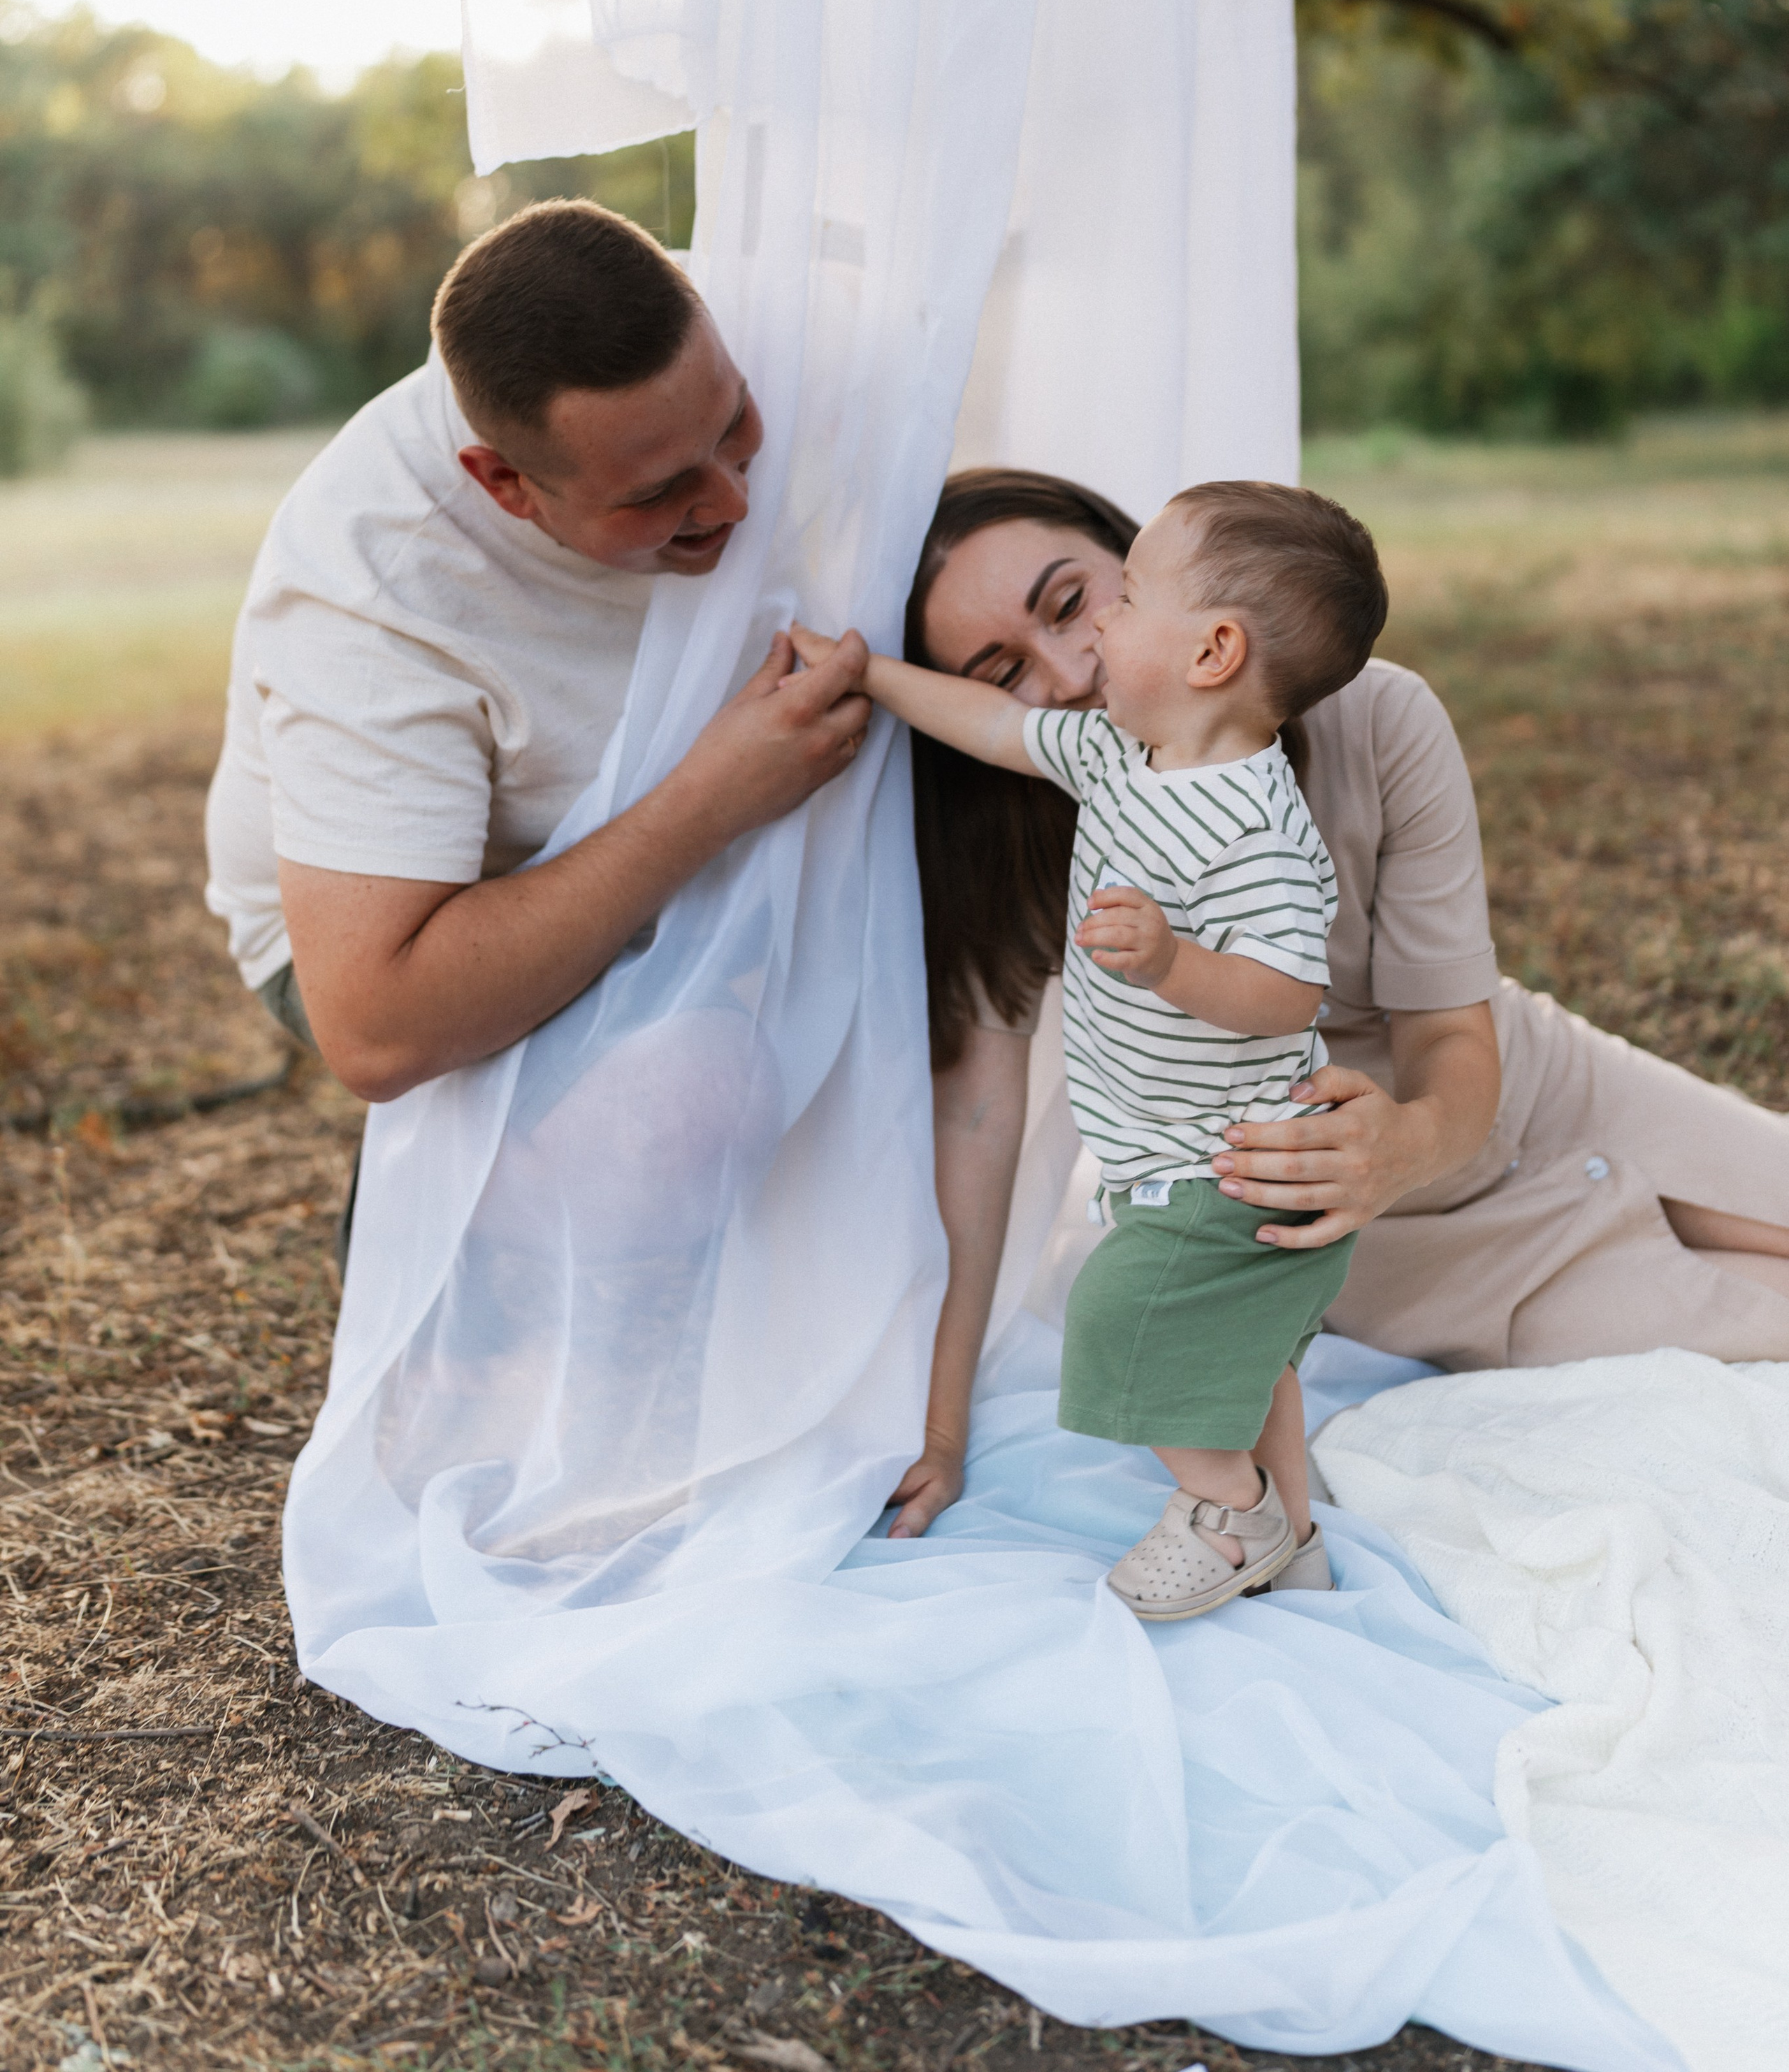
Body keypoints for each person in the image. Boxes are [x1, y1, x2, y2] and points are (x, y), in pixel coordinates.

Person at [885, 465, 1789, 1542]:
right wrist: (941, 1432)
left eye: (1077, 601)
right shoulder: (1047, 826)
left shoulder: (1379, 716)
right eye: (1001, 671)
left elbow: (1454, 1027)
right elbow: (980, 1128)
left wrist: (1407, 1140)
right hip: (1400, 1242)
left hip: (1527, 1096)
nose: (1070, 666)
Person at [795, 479, 1389, 1617]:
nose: (1098, 635)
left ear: (1213, 650)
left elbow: (1283, 991)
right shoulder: (1120, 755)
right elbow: (986, 724)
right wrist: (870, 675)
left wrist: (1172, 964)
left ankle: (1225, 1516)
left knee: (1124, 1320)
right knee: (1248, 1366)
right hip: (1170, 1148)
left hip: (1231, 1159)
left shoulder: (1256, 822)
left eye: (1123, 601)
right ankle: (1295, 1537)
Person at [204, 198, 870, 1121]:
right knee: (692, 1105)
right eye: (661, 490)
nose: (732, 501)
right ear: (506, 484)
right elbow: (375, 1023)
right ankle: (460, 1227)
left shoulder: (743, 323)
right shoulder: (370, 593)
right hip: (404, 930)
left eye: (735, 424)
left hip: (697, 867)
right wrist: (711, 801)